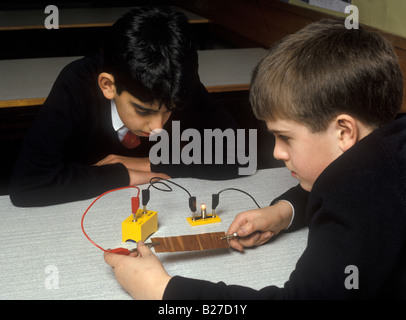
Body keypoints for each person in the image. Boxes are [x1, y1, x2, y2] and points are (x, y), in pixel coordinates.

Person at [103, 18, 406, 299]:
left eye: (285, 137)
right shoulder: (390, 146)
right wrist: (282, 213)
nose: (276, 152)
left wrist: (162, 291)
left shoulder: (356, 198)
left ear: (344, 132)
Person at [9, 7, 242, 207]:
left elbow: (240, 155)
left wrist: (148, 163)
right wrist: (121, 175)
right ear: (108, 85)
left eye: (169, 110)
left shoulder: (177, 82)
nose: (158, 128)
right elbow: (27, 184)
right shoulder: (75, 84)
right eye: (143, 110)